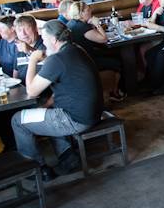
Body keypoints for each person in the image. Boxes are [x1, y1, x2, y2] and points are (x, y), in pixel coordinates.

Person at [11, 21, 102, 180]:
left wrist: (32, 60)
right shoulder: (75, 49)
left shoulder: (58, 59)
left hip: (76, 120)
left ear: (53, 40)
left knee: (18, 120)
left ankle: (36, 170)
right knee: (47, 109)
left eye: (44, 39)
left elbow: (31, 91)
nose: (43, 42)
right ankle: (67, 155)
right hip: (93, 112)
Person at [65, 2, 125, 102]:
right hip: (87, 61)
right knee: (117, 62)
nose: (91, 11)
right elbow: (103, 39)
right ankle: (114, 92)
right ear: (81, 13)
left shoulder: (72, 23)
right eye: (88, 10)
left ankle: (115, 89)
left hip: (79, 59)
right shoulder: (82, 28)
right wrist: (97, 24)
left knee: (115, 54)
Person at [13, 15, 45, 83]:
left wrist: (29, 50)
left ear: (36, 28)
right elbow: (15, 73)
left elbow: (50, 62)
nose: (23, 33)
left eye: (27, 28)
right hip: (22, 87)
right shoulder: (19, 47)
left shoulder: (45, 43)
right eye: (19, 30)